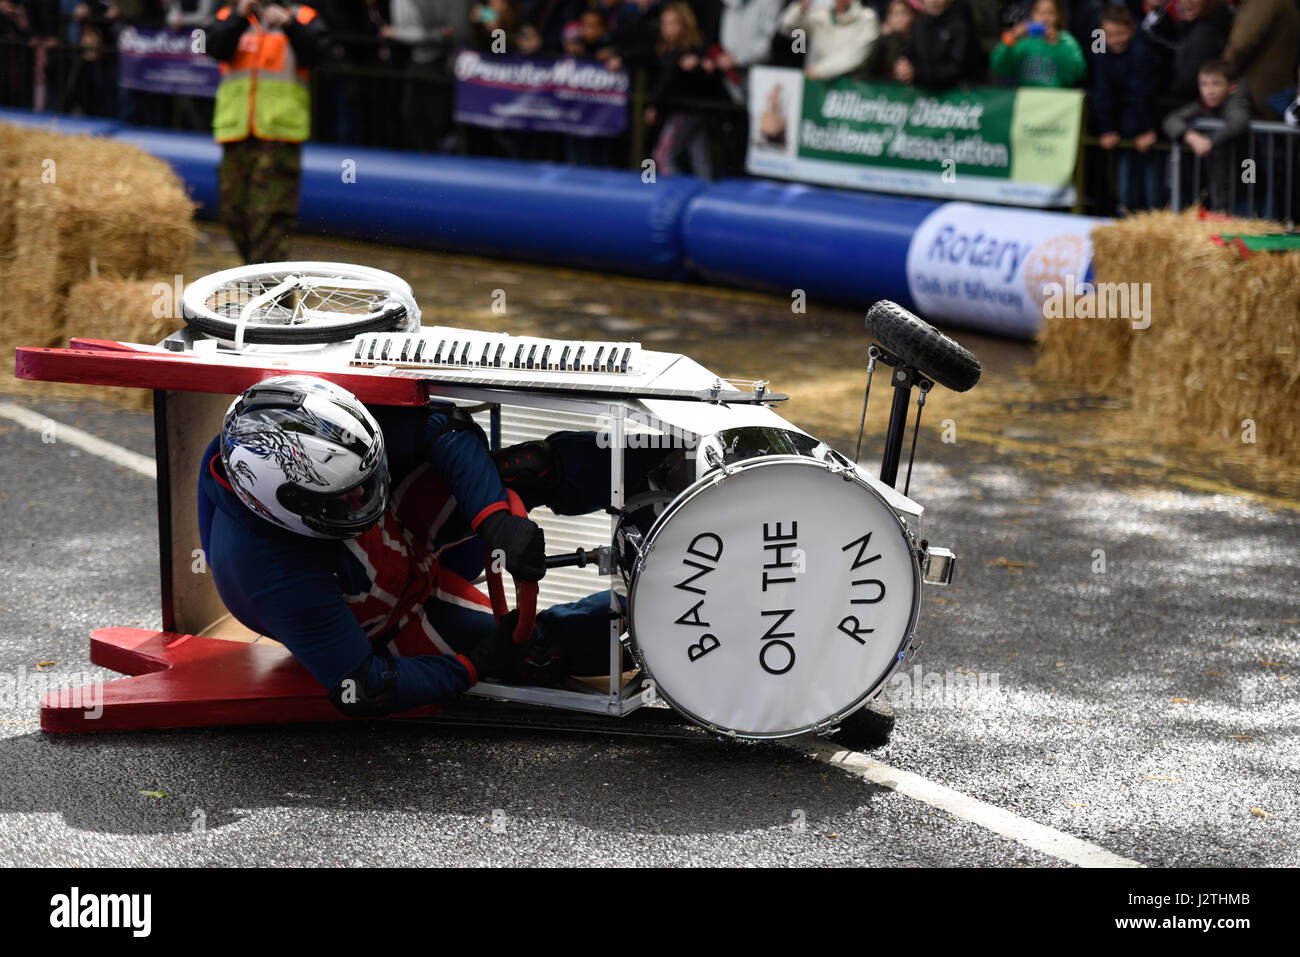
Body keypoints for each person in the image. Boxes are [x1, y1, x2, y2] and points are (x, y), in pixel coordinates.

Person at [198, 375, 661, 717]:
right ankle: (666, 626)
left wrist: (493, 518)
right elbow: (363, 688)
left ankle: (670, 464)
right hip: (389, 620)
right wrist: (475, 665)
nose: (363, 497)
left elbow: (444, 425)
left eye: (366, 479)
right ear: (287, 504)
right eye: (346, 497)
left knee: (531, 466)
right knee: (536, 653)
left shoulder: (319, 423)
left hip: (403, 523)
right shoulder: (271, 577)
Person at [205, 0, 330, 263]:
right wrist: (240, 15)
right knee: (233, 212)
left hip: (279, 136)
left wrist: (290, 26)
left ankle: (270, 297)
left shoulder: (303, 16)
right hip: (237, 132)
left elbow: (319, 55)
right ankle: (259, 283)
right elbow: (213, 48)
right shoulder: (230, 14)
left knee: (270, 219)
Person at [1091, 4, 1160, 212]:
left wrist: (1146, 129)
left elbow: (1142, 93)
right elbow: (1102, 90)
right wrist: (1106, 128)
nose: (1115, 40)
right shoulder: (1102, 52)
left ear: (1131, 29)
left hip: (1146, 125)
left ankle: (1153, 218)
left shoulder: (1142, 51)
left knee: (1152, 190)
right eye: (1109, 35)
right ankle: (1125, 212)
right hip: (1121, 129)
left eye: (1120, 33)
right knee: (1125, 189)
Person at [1162, 58, 1251, 212]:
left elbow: (1238, 122)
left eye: (1216, 84)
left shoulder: (1238, 102)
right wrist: (1191, 137)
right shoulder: (1201, 104)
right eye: (1204, 84)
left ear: (1232, 87)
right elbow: (1171, 120)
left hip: (1247, 171)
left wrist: (1209, 141)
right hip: (1219, 175)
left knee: (1249, 211)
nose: (1209, 90)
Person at [644, 1, 721, 177]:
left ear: (685, 25)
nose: (668, 28)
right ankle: (703, 190)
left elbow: (671, 79)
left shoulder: (692, 48)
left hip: (686, 112)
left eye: (673, 23)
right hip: (686, 112)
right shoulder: (665, 49)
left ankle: (678, 195)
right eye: (665, 23)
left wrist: (701, 66)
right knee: (699, 157)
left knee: (663, 156)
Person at [1219, 0, 1299, 121]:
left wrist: (1220, 74)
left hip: (1257, 91)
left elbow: (1241, 44)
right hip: (1274, 86)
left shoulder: (1261, 2)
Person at [990, 0, 1086, 87]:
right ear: (1032, 15)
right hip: (1026, 98)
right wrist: (1011, 37)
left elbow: (1077, 73)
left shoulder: (1066, 40)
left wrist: (1057, 45)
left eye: (1051, 13)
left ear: (1059, 16)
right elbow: (999, 66)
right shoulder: (1023, 42)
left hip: (1057, 100)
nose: (1045, 18)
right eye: (1040, 13)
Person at [777, 0, 879, 81]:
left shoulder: (866, 19)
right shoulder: (819, 15)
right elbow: (788, 27)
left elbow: (856, 55)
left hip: (849, 88)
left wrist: (821, 70)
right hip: (815, 84)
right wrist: (800, 8)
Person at [894, 0, 983, 90]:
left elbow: (957, 68)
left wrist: (917, 73)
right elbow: (910, 55)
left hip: (959, 94)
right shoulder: (919, 24)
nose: (934, 1)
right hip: (925, 94)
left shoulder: (961, 25)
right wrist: (905, 69)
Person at [857, 0, 913, 79]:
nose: (900, 19)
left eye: (904, 14)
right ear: (888, 19)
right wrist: (883, 38)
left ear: (913, 16)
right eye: (895, 14)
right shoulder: (882, 40)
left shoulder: (917, 40)